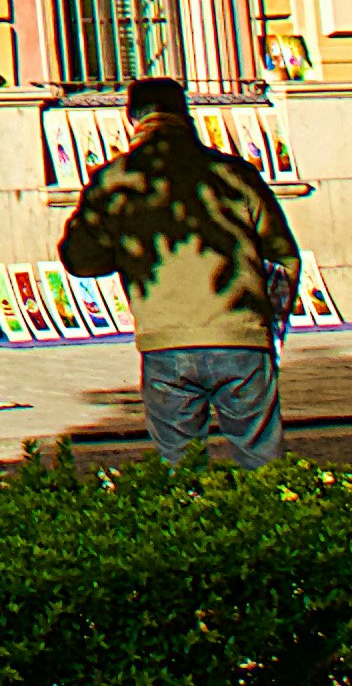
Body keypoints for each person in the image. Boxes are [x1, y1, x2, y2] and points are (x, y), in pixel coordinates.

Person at [55, 70, 300, 469]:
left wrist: (128, 249)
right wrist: (271, 323)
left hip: (164, 341)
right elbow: (282, 255)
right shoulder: (234, 173)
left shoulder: (115, 180)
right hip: (240, 337)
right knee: (264, 468)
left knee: (180, 471)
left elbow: (80, 259)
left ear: (131, 119)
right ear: (186, 115)